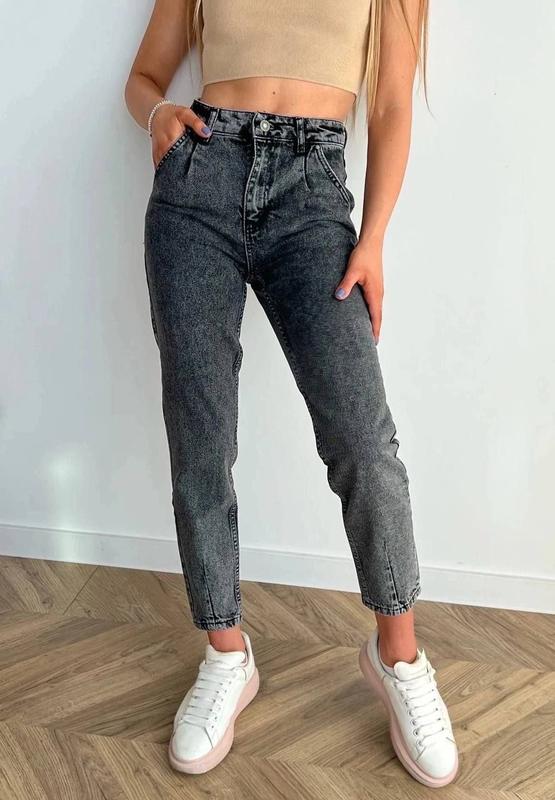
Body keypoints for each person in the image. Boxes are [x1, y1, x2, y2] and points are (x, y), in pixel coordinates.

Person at [124, 0, 458, 787]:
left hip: (312, 198)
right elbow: (143, 78)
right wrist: (159, 116)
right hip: (196, 186)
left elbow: (390, 104)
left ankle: (398, 657)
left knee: (362, 443)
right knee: (200, 436)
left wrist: (372, 241)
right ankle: (226, 653)